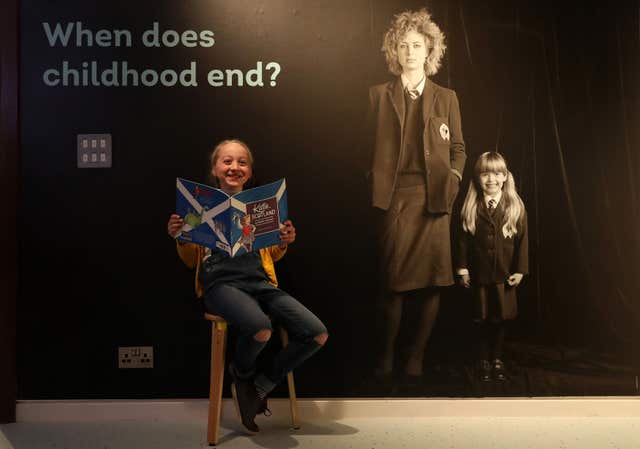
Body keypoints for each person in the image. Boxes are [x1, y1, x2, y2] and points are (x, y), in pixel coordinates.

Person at [167, 139, 328, 433]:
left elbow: (272, 255)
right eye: (227, 161)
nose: (234, 167)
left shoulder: (262, 206)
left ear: (250, 171)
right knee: (261, 328)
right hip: (220, 284)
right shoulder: (199, 206)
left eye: (241, 162)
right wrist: (180, 236)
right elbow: (191, 261)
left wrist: (284, 240)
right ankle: (242, 375)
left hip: (259, 281)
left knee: (316, 333)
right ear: (215, 169)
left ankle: (259, 385)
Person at [366, 8, 466, 385]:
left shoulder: (447, 97)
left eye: (417, 45)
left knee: (433, 282)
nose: (410, 51)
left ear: (430, 51)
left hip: (436, 199)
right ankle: (386, 357)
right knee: (392, 281)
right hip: (395, 198)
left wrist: (453, 178)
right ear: (395, 51)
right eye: (404, 45)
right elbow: (362, 148)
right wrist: (373, 181)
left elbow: (458, 147)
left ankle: (416, 357)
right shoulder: (377, 96)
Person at [456, 151, 528, 382]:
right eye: (486, 174)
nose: (491, 179)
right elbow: (462, 241)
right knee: (481, 318)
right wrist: (462, 268)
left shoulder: (515, 206)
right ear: (478, 177)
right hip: (479, 276)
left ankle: (497, 359)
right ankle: (483, 359)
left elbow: (523, 242)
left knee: (501, 318)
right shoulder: (470, 207)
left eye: (497, 174)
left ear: (505, 177)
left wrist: (520, 270)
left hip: (504, 276)